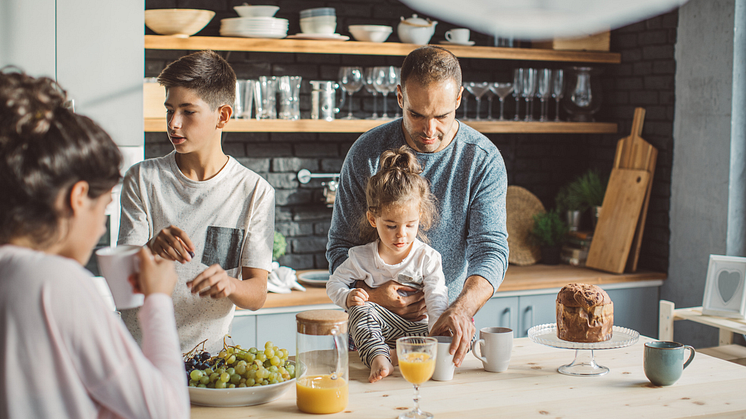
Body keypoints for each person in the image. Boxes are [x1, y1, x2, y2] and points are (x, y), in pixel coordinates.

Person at [0, 70, 188, 418]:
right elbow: (167, 412)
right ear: (78, 197)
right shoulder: (54, 281)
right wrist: (157, 299)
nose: (102, 222)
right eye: (104, 207)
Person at [327, 46, 509, 366]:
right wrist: (370, 293)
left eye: (441, 116)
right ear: (400, 97)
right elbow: (341, 245)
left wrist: (460, 308)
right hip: (370, 330)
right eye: (417, 114)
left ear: (458, 99)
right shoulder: (365, 154)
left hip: (440, 326)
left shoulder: (482, 159)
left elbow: (491, 250)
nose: (429, 130)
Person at [118, 50, 275, 353]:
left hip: (209, 360)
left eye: (188, 111)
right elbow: (121, 286)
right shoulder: (142, 178)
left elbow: (257, 294)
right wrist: (150, 250)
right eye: (169, 110)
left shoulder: (255, 191)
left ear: (223, 116)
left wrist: (232, 285)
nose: (174, 123)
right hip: (140, 354)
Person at [326, 146, 448, 383]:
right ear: (373, 219)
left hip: (418, 330)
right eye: (391, 226)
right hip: (378, 327)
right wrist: (347, 296)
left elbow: (436, 298)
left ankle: (401, 354)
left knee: (452, 324)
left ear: (420, 217)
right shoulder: (361, 257)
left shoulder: (428, 257)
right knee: (359, 311)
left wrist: (438, 335)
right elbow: (334, 284)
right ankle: (380, 358)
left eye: (410, 225)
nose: (401, 235)